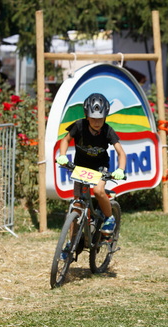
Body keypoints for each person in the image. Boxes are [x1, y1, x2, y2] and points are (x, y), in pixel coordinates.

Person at [56, 93, 127, 234]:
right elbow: (65, 140)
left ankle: (109, 218)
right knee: (77, 205)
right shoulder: (79, 126)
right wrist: (62, 155)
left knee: (98, 190)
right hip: (80, 166)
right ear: (86, 116)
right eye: (93, 118)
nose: (97, 122)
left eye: (100, 119)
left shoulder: (107, 130)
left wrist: (120, 169)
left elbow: (121, 153)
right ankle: (71, 242)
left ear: (105, 117)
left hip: (100, 167)